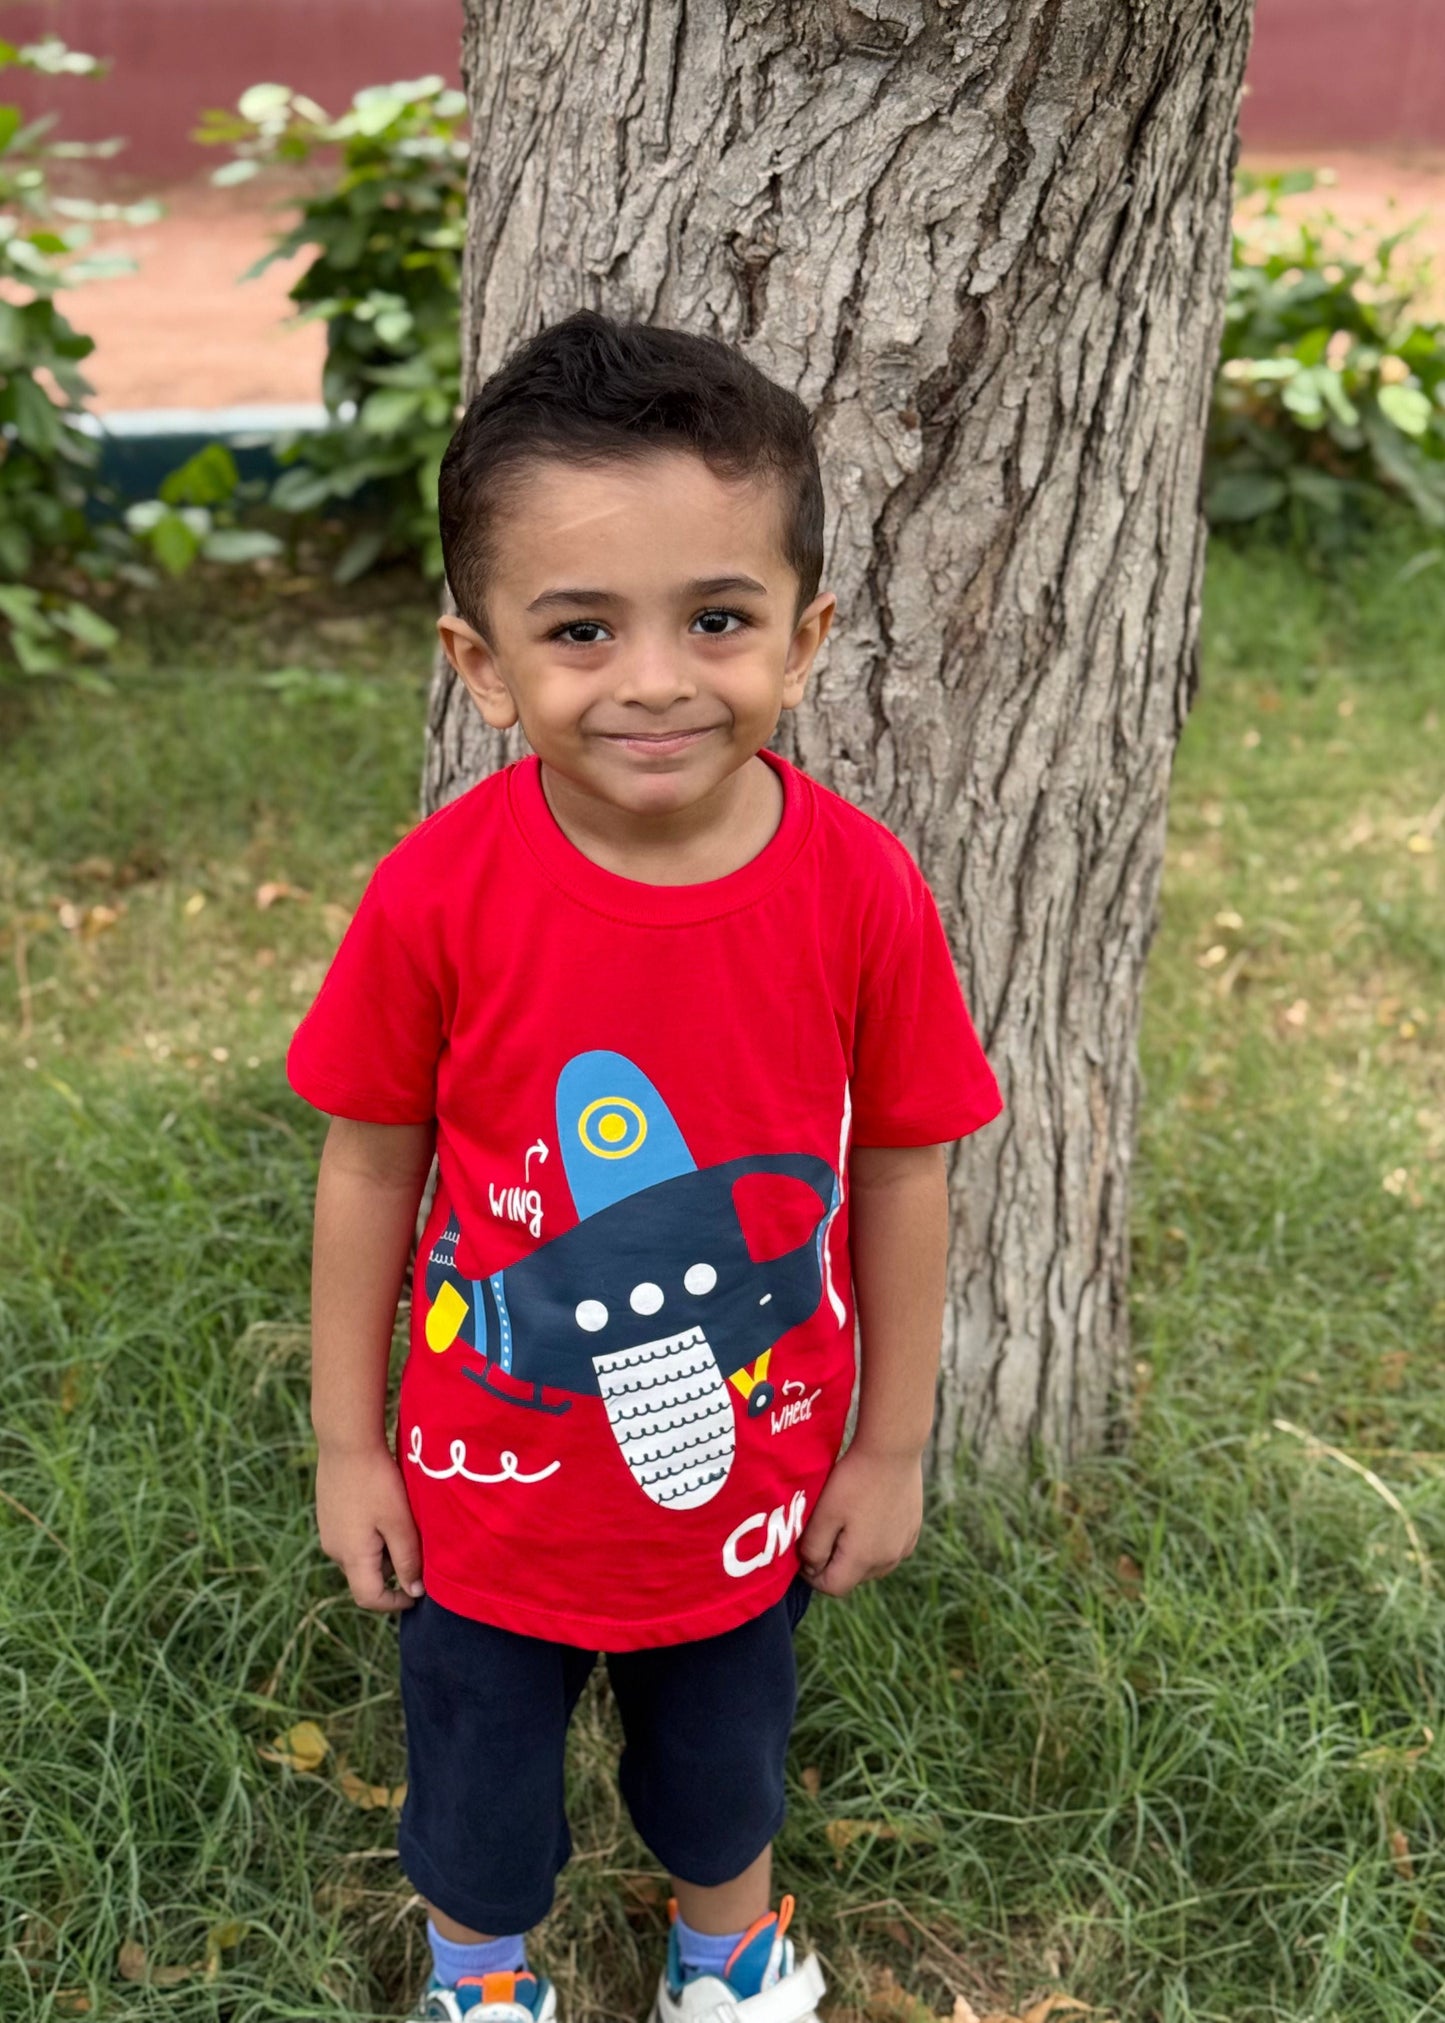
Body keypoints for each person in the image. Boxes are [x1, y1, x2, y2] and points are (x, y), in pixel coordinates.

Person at [287, 308, 1003, 2023]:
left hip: (749, 1484)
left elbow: (904, 1165)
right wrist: (346, 1444)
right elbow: (370, 1171)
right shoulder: (438, 897)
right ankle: (481, 1980)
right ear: (479, 662)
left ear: (806, 634)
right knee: (474, 1784)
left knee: (723, 1759)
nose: (659, 677)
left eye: (718, 618)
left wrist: (889, 1443)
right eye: (583, 628)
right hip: (487, 1487)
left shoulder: (861, 890)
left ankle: (724, 1955)